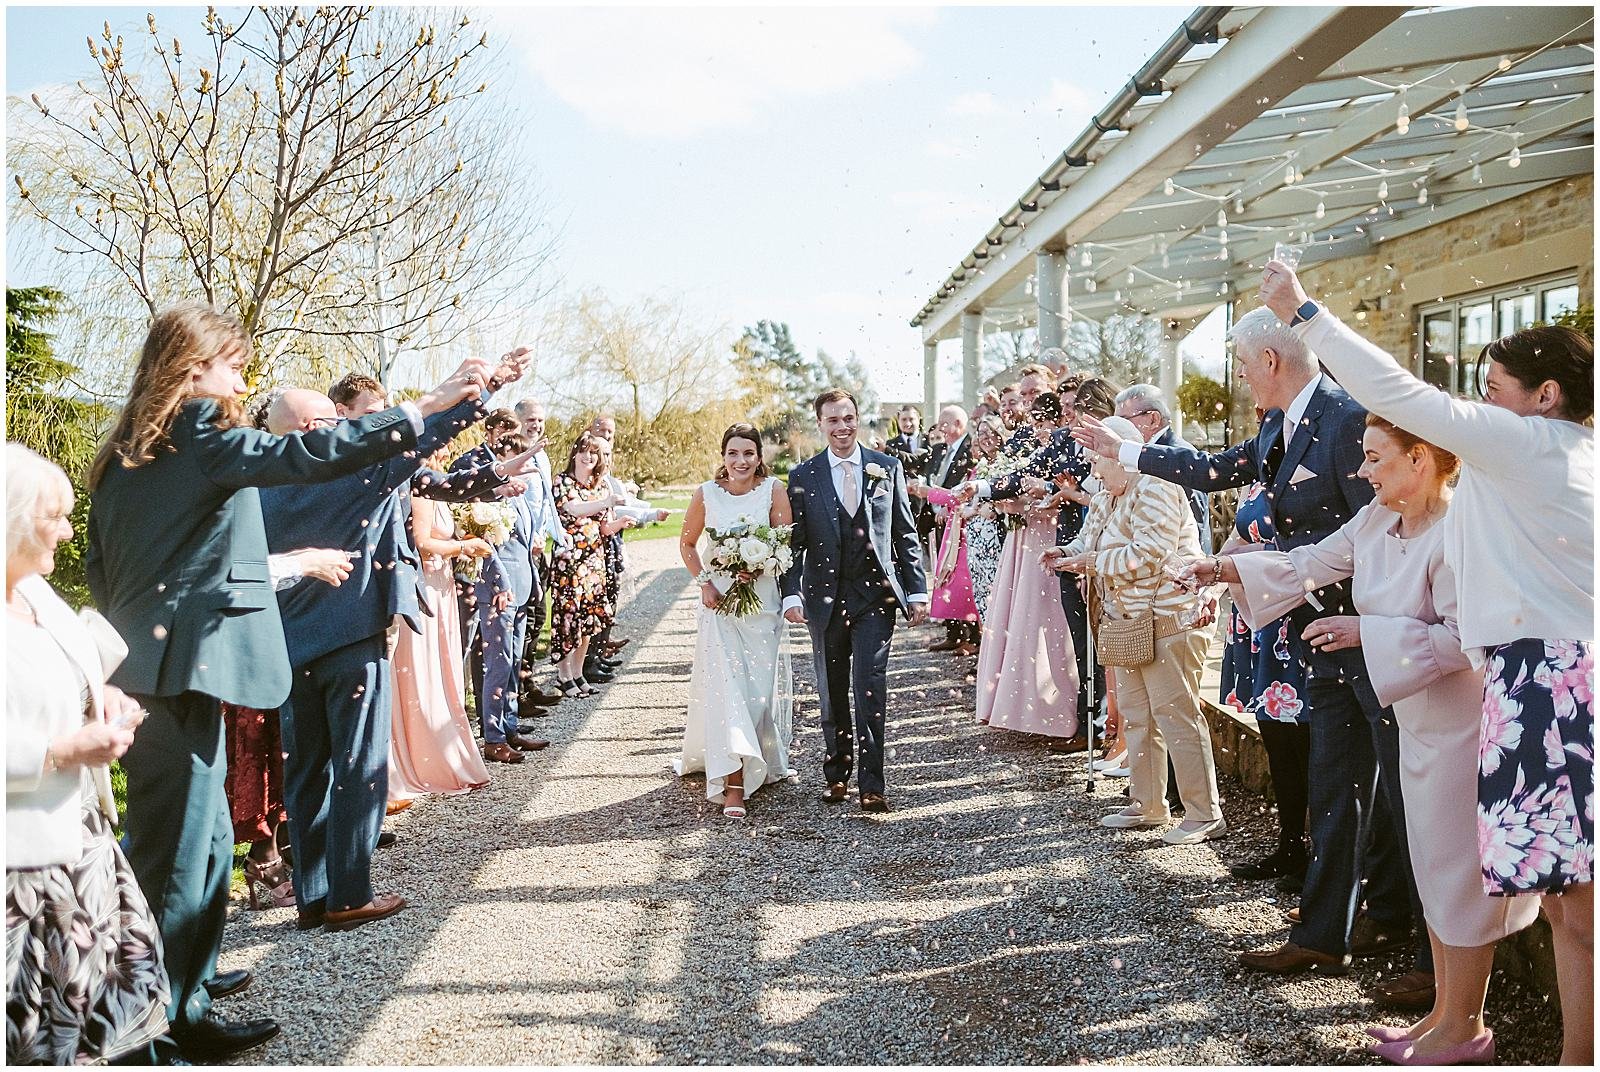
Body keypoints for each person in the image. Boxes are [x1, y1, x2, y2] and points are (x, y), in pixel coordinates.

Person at [86, 304, 499, 1060]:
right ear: (192, 368)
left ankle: (192, 985)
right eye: (234, 364)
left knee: (207, 844)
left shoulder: (127, 454)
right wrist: (429, 405)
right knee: (176, 854)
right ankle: (154, 1029)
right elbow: (315, 455)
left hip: (165, 667)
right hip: (174, 672)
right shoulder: (198, 433)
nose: (242, 378)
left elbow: (111, 574)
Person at [1259, 260, 1593, 1066]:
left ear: (1544, 395)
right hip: (1538, 678)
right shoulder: (1563, 455)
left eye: (1496, 387)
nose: (1481, 405)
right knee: (1564, 901)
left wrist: (1305, 312)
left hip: (1550, 683)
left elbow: (1411, 399)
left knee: (1574, 902)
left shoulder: (1534, 444)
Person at [1075, 309, 1429, 991]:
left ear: (1270, 360)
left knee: (1404, 790)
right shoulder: (1275, 425)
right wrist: (1128, 453)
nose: (1239, 378)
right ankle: (1324, 935)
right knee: (1337, 788)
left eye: (1242, 364)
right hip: (1316, 629)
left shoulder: (1349, 416)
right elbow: (1215, 469)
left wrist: (1368, 618)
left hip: (1375, 632)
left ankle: (1417, 944)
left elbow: (1381, 530)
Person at [1190, 414, 1542, 1065]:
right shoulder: (1379, 516)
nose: (1362, 471)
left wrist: (1363, 634)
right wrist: (1221, 570)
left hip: (1463, 730)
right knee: (1432, 868)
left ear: (1422, 460)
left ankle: (1468, 1029)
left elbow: (1473, 643)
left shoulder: (1465, 534)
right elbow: (1313, 562)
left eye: (1377, 457)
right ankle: (1442, 1018)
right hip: (1415, 719)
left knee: (1457, 874)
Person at [260, 378, 519, 934]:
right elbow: (422, 439)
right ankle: (350, 894)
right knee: (358, 764)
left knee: (305, 770)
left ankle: (312, 896)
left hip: (287, 643)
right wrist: (483, 392)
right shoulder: (353, 473)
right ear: (311, 430)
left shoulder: (257, 483)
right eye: (331, 422)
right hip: (351, 638)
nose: (341, 429)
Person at [7, 444, 173, 1066]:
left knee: (113, 1007)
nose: (69, 530)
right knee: (37, 1033)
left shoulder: (36, 593)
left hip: (82, 841)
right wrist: (56, 750)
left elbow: (79, 665)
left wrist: (100, 696)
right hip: (18, 870)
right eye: (54, 515)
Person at [1045, 416, 1223, 844]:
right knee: (1139, 716)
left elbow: (1149, 554)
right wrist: (1064, 552)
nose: (1091, 468)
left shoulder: (1157, 487)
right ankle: (1148, 804)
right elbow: (1090, 541)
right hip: (1128, 620)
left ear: (1118, 454)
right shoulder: (1108, 494)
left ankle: (1204, 812)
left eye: (1096, 459)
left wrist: (1089, 564)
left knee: (1176, 714)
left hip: (1171, 617)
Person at [780, 388, 929, 813]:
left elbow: (904, 533)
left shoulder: (887, 467)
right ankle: (837, 773)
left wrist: (916, 590)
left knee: (870, 687)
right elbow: (795, 545)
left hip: (875, 597)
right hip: (824, 598)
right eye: (833, 420)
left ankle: (872, 782)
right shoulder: (804, 476)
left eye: (848, 418)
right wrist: (792, 594)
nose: (842, 427)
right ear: (821, 424)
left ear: (858, 419)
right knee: (831, 690)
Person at [673, 424, 797, 818]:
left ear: (759, 456)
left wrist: (758, 564)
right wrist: (704, 583)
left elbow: (785, 543)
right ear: (723, 456)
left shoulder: (774, 491)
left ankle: (758, 756)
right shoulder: (706, 494)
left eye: (748, 453)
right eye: (732, 453)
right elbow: (688, 544)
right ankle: (733, 784)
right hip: (720, 605)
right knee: (728, 686)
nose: (740, 461)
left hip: (762, 603)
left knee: (756, 692)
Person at [388, 445, 496, 798]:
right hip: (426, 586)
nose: (448, 449)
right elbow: (421, 542)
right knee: (422, 672)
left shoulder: (438, 488)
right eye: (442, 445)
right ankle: (423, 760)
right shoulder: (420, 488)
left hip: (442, 583)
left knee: (442, 666)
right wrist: (465, 547)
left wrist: (463, 540)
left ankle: (444, 752)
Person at [973, 392, 1081, 743]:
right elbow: (1023, 477)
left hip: (1064, 537)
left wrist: (1050, 495)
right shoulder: (1035, 442)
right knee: (1028, 621)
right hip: (1033, 540)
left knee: (1059, 629)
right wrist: (990, 491)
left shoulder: (1075, 438)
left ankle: (1071, 712)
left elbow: (1075, 489)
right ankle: (1031, 706)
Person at [471, 432, 552, 764]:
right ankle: (492, 737)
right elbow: (486, 546)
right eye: (522, 461)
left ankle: (510, 725)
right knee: (498, 663)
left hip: (521, 586)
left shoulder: (519, 496)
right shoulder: (487, 498)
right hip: (498, 591)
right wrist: (500, 584)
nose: (527, 468)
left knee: (515, 661)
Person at [550, 432, 633, 696]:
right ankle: (563, 675)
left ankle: (577, 673)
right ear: (574, 453)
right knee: (568, 619)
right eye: (584, 450)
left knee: (589, 621)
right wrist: (607, 500)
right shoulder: (562, 482)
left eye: (594, 452)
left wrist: (619, 524)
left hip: (594, 561)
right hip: (569, 563)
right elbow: (573, 509)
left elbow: (603, 526)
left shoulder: (599, 486)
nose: (589, 456)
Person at [513, 398, 573, 718]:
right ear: (519, 420)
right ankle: (516, 693)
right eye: (531, 420)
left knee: (537, 619)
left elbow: (547, 504)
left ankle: (528, 682)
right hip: (521, 550)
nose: (536, 425)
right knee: (525, 620)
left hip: (541, 550)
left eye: (540, 421)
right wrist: (529, 538)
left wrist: (559, 537)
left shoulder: (544, 458)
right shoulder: (513, 457)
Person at [919, 405, 977, 653]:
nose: (940, 427)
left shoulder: (970, 448)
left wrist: (948, 506)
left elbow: (966, 486)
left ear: (958, 424)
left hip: (959, 521)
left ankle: (971, 635)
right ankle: (952, 632)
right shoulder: (940, 450)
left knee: (962, 578)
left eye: (945, 422)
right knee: (944, 575)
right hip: (940, 521)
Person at [962, 416, 1008, 620]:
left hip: (996, 534)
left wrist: (989, 507)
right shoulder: (979, 465)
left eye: (991, 432)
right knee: (980, 588)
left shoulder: (1007, 461)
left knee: (997, 587)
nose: (986, 438)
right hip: (976, 537)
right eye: (982, 433)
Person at [886, 404, 936, 555]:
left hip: (928, 500)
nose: (908, 423)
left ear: (918, 419)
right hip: (904, 497)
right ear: (898, 420)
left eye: (911, 419)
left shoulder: (930, 440)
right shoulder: (890, 444)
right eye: (904, 419)